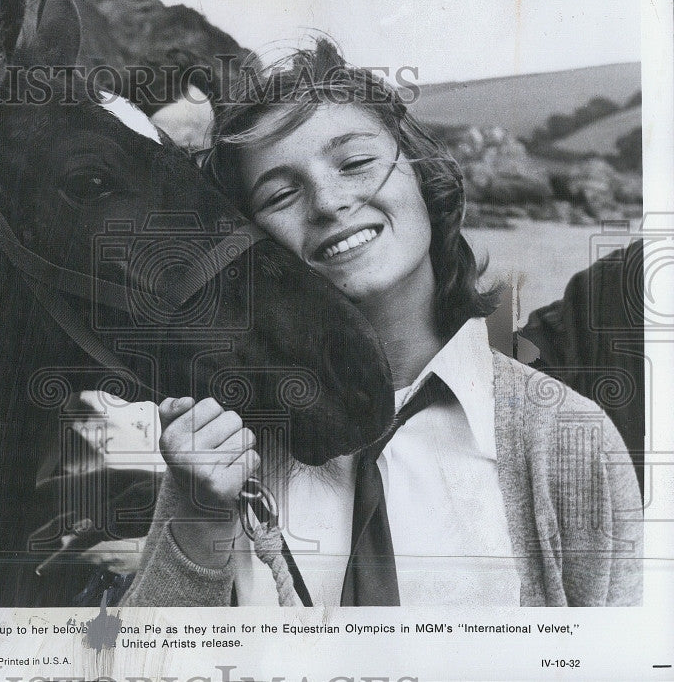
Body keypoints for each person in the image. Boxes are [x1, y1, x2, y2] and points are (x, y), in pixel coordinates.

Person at [120, 39, 642, 607]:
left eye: (356, 163)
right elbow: (149, 660)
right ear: (253, 244)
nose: (327, 201)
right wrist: (200, 523)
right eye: (280, 194)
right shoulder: (225, 443)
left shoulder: (568, 435)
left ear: (421, 177)